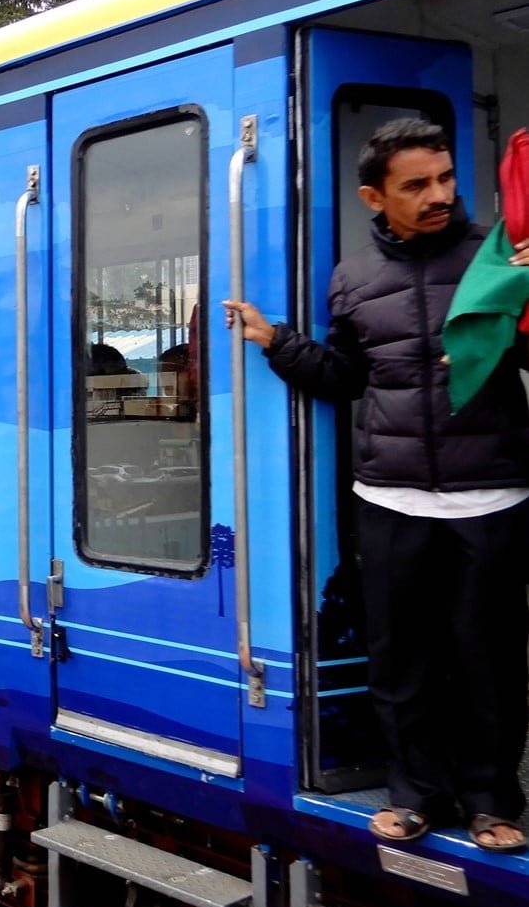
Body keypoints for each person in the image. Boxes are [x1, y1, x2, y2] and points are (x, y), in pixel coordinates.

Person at [224, 118, 529, 853]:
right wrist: (279, 343)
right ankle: (413, 794)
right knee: (400, 660)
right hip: (389, 499)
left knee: (486, 660)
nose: (437, 196)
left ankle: (491, 800)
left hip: (489, 494)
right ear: (372, 196)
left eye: (445, 179)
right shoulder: (353, 279)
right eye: (415, 184)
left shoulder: (498, 257)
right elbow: (346, 379)